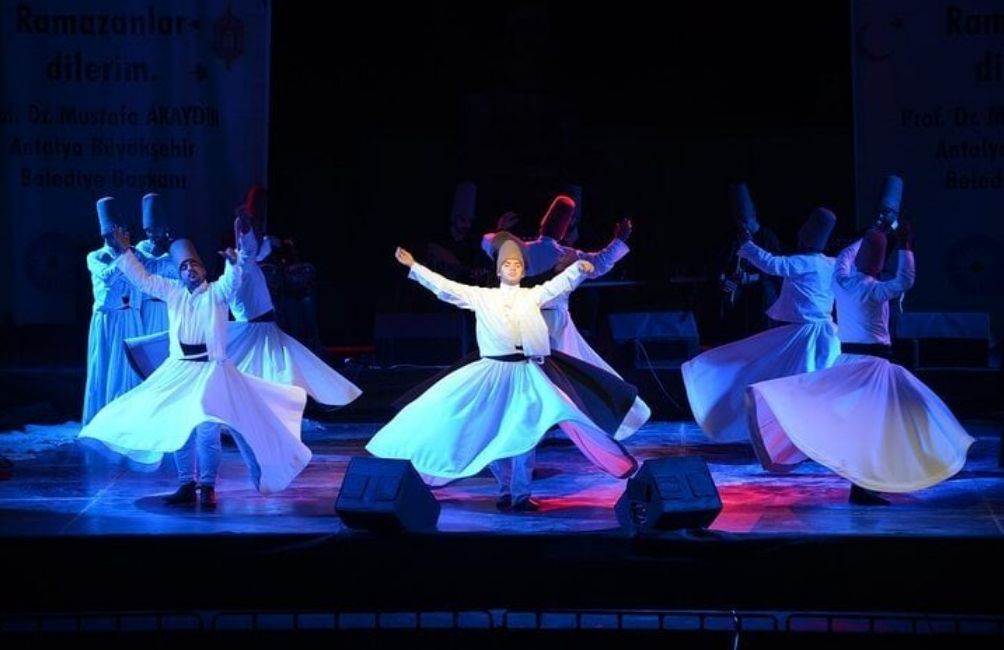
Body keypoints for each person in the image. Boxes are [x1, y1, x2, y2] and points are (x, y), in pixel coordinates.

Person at [366, 242, 642, 512]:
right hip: (493, 373)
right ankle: (505, 489)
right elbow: (445, 288)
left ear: (523, 271)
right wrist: (415, 266)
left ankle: (520, 494)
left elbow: (556, 286)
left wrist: (578, 270)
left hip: (526, 373)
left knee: (526, 432)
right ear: (499, 271)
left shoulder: (531, 295)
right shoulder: (482, 297)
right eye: (507, 264)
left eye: (517, 264)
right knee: (489, 432)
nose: (512, 268)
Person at [78, 213, 311, 508]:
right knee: (181, 429)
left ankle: (207, 487)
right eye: (185, 266)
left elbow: (233, 279)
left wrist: (236, 259)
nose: (189, 269)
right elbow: (144, 280)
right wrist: (125, 252)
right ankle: (186, 484)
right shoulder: (173, 292)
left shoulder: (216, 293)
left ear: (203, 270)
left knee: (207, 432)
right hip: (180, 371)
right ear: (179, 272)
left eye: (194, 264)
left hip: (212, 371)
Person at [746, 222, 974, 505]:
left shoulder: (840, 282)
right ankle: (866, 483)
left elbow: (843, 258)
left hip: (848, 362)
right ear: (878, 267)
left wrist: (866, 237)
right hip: (872, 367)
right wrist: (904, 247)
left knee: (863, 424)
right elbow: (905, 280)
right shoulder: (874, 290)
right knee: (890, 421)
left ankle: (863, 482)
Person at [481, 194, 650, 433]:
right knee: (573, 374)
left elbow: (488, 242)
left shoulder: (520, 250)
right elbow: (601, 262)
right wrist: (619, 239)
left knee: (529, 374)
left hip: (522, 321)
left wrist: (501, 232)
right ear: (564, 230)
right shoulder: (567, 256)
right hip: (554, 323)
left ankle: (529, 420)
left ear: (542, 225)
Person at [682, 207, 840, 442]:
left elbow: (773, 264)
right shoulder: (832, 263)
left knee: (785, 378)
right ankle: (806, 434)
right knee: (812, 384)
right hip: (827, 334)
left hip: (805, 336)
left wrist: (748, 245)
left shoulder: (804, 263)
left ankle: (795, 434)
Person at [227, 184, 362, 408]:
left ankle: (290, 408)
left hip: (267, 328)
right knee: (259, 375)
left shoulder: (252, 258)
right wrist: (245, 225)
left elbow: (254, 247)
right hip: (254, 332)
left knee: (290, 370)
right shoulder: (241, 264)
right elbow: (248, 247)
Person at [82, 197, 145, 424]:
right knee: (107, 367)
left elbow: (153, 268)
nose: (120, 235)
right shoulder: (96, 257)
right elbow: (108, 277)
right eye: (115, 232)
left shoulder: (136, 253)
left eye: (123, 230)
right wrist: (123, 255)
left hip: (131, 317)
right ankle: (104, 418)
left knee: (130, 369)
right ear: (106, 234)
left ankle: (130, 417)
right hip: (109, 319)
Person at [713, 183, 782, 342]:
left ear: (754, 217)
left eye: (745, 222)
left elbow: (776, 270)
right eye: (739, 223)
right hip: (737, 289)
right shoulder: (736, 238)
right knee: (722, 294)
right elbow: (724, 264)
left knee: (765, 292)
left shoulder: (767, 237)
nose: (742, 227)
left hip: (762, 293)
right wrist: (723, 277)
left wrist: (751, 278)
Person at [134, 193, 178, 335]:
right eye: (148, 231)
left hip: (170, 305)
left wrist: (165, 255)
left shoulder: (175, 247)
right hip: (147, 306)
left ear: (165, 227)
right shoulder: (141, 247)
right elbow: (141, 272)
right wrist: (156, 256)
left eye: (156, 229)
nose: (152, 234)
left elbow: (181, 273)